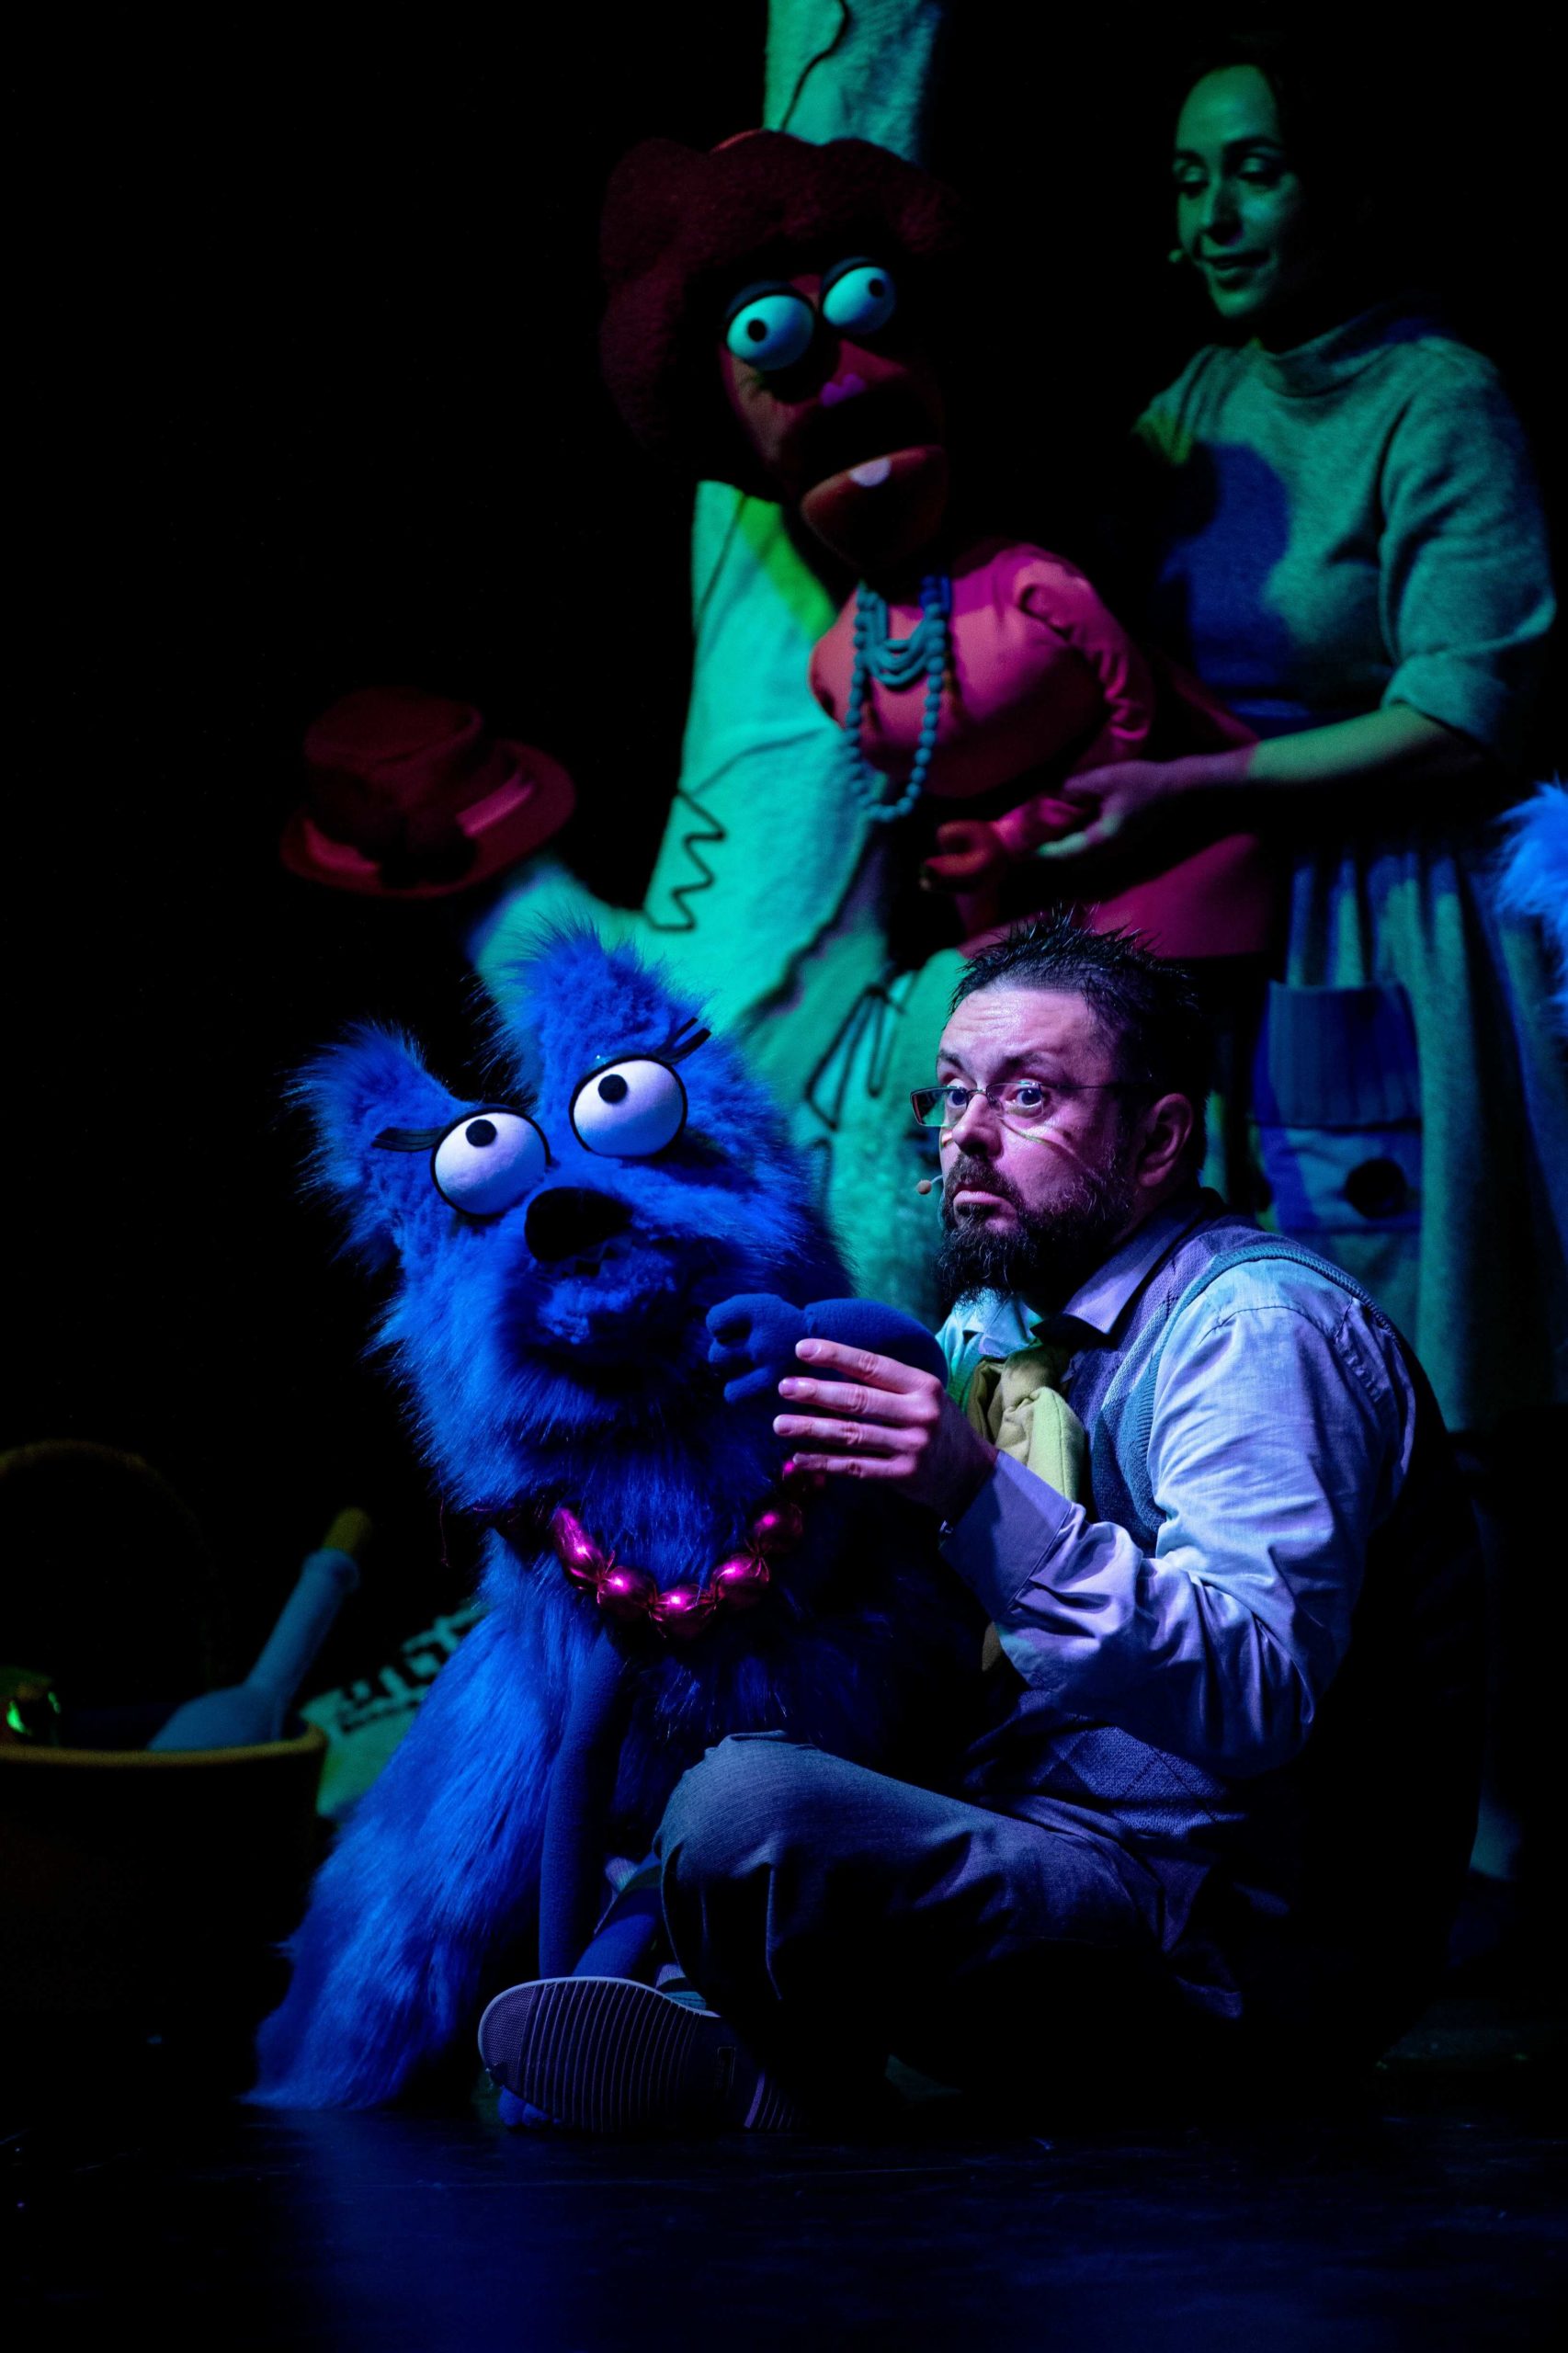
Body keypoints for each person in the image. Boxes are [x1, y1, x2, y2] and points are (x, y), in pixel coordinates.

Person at [478, 915, 1484, 2132]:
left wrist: (971, 1490)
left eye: (1029, 1096)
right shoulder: (995, 1330)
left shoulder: (1254, 1330)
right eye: (953, 1094)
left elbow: (1252, 1691)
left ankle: (771, 2064)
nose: (966, 1135)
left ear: (1159, 1138)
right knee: (734, 1749)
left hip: (1231, 1946)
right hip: (1040, 1845)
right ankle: (737, 2039)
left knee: (746, 1811)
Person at [1036, 34, 1564, 1444]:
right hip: (1212, 910)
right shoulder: (1199, 399)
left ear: (1344, 194)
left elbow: (1462, 719)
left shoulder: (1432, 398)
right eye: (1186, 181)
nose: (1210, 218)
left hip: (1374, 910)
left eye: (1253, 174)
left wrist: (1202, 786)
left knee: (1391, 1327)